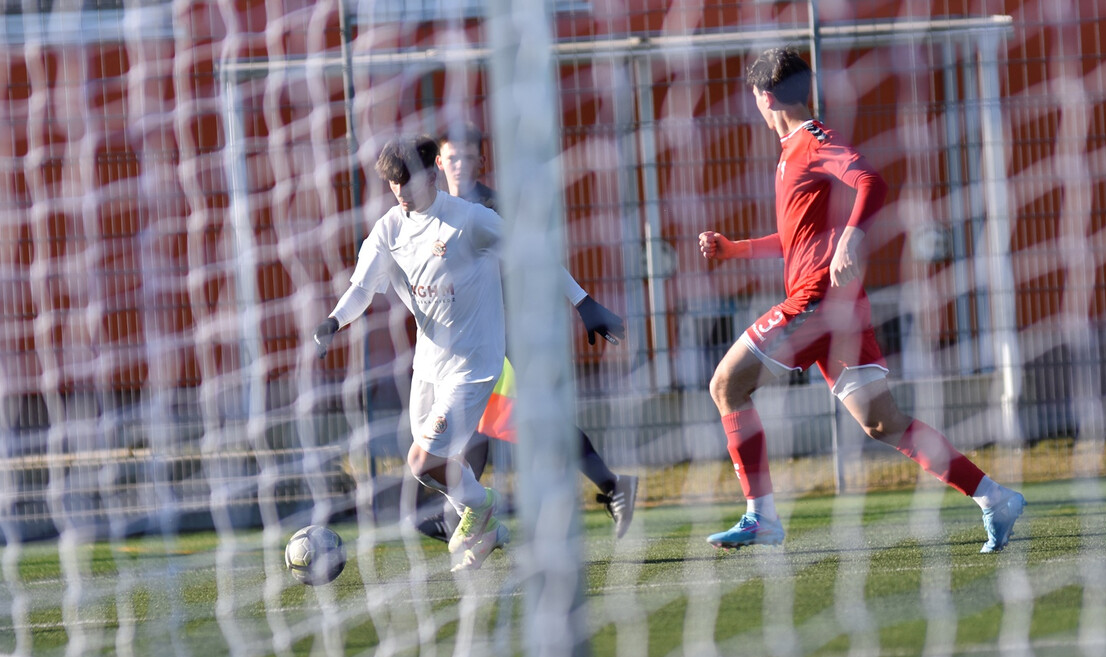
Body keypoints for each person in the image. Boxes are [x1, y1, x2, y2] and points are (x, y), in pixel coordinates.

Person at [698, 47, 1025, 553]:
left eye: (755, 99)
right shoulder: (792, 150)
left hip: (816, 301)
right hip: (838, 308)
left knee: (726, 385)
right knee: (883, 423)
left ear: (764, 97)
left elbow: (871, 180)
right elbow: (797, 239)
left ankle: (760, 516)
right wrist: (735, 248)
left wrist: (853, 235)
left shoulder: (810, 140)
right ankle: (993, 498)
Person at [413, 122, 639, 541]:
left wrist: (583, 303)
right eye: (452, 158)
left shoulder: (495, 211)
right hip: (465, 343)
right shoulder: (430, 212)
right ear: (439, 164)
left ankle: (609, 485)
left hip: (505, 339)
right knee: (474, 425)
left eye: (468, 157)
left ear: (482, 162)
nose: (460, 165)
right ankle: (465, 514)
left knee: (528, 422)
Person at [313, 135, 509, 572]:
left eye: (407, 182)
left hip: (475, 362)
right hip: (428, 367)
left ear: (431, 174)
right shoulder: (390, 228)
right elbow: (362, 288)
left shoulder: (469, 219)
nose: (400, 192)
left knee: (423, 460)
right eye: (393, 184)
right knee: (434, 466)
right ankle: (488, 532)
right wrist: (333, 322)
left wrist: (581, 302)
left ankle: (483, 505)